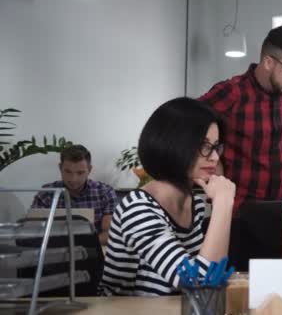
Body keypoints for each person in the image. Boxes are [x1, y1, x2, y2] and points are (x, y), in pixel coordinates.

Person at [199, 25, 282, 270]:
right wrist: (214, 160)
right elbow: (188, 122)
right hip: (238, 213)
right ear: (268, 62)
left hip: (276, 210)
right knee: (236, 296)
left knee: (274, 293)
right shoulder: (232, 91)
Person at [100, 97, 235, 296]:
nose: (215, 157)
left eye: (216, 147)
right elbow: (198, 283)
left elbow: (209, 283)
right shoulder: (137, 207)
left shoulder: (194, 204)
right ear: (173, 145)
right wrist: (223, 203)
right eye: (204, 146)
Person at [31, 144, 118, 245]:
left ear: (89, 170)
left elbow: (110, 234)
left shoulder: (105, 193)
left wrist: (79, 246)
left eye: (80, 173)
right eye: (68, 172)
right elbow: (33, 232)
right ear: (60, 168)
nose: (73, 179)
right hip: (54, 254)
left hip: (92, 253)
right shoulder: (47, 194)